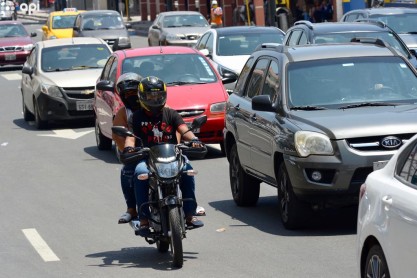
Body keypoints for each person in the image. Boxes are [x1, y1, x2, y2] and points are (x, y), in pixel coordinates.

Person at [124, 76, 204, 237]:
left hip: (173, 157)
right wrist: (128, 148)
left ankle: (190, 214)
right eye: (150, 96)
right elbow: (130, 137)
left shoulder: (171, 113)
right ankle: (144, 219)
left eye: (158, 95)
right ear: (141, 97)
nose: (154, 99)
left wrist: (195, 141)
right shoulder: (136, 117)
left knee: (188, 170)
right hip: (148, 159)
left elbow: (184, 130)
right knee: (140, 174)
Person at [112, 72, 143, 224]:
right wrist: (129, 151)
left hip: (161, 150)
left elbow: (175, 127)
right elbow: (119, 136)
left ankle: (189, 206)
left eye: (134, 92)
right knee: (127, 172)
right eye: (127, 93)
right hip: (138, 153)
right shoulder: (123, 113)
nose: (131, 96)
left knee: (184, 168)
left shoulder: (157, 105)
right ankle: (132, 209)